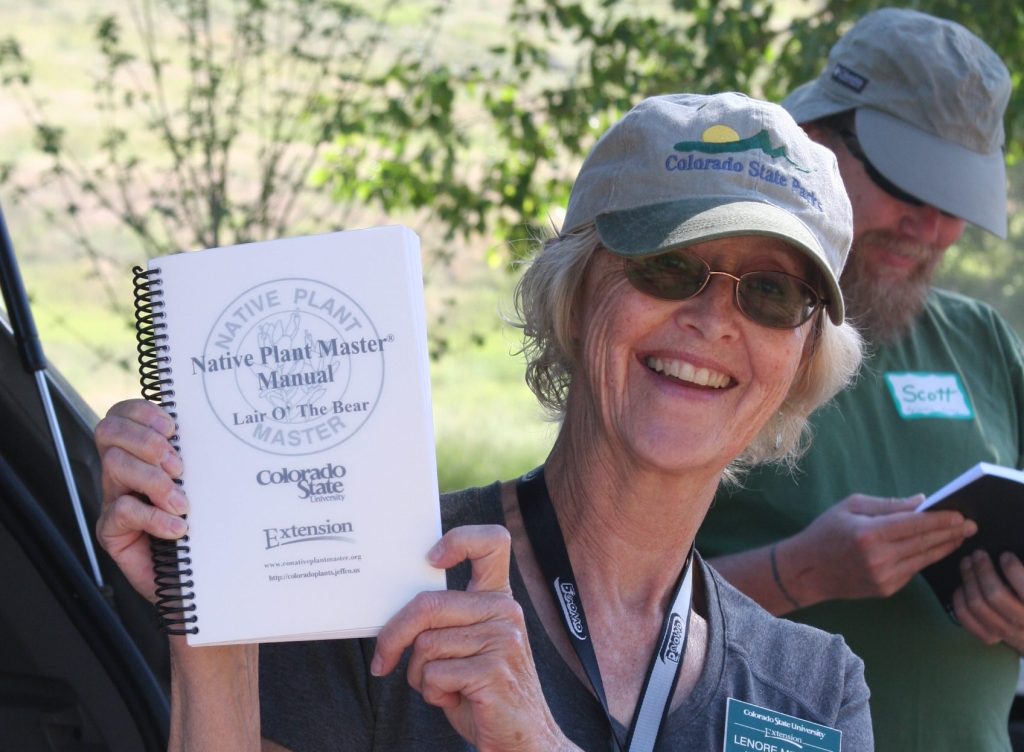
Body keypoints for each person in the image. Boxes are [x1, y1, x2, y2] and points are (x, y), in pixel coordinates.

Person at [96, 92, 873, 750]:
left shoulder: (813, 692)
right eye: (667, 266)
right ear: (575, 293)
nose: (713, 319)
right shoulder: (372, 582)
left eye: (771, 293)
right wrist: (215, 618)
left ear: (802, 361)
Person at [696, 9, 1023, 752]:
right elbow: (593, 602)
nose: (931, 227)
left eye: (956, 205)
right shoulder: (709, 322)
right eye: (909, 186)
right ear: (815, 141)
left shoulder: (981, 341)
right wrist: (798, 574)